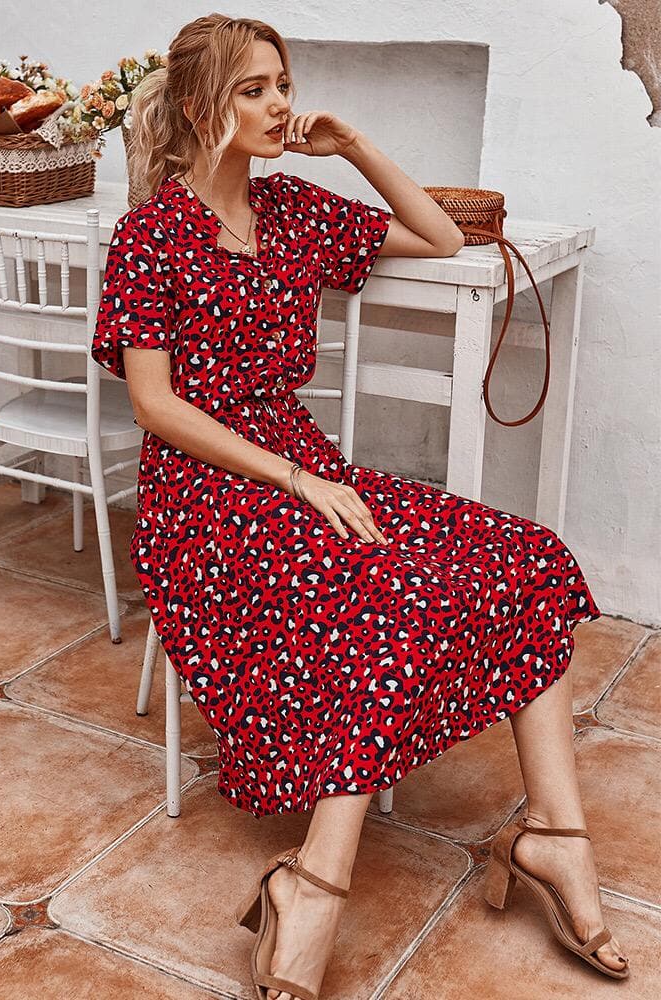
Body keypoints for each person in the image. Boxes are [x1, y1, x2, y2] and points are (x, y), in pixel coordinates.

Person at [90, 13, 629, 999]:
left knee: (525, 555)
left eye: (283, 85)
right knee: (388, 600)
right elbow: (154, 406)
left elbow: (439, 234)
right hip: (203, 496)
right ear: (202, 107)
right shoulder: (150, 235)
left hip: (307, 468)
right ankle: (311, 884)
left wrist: (354, 147)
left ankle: (554, 835)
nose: (280, 106)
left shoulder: (293, 208)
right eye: (254, 89)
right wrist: (296, 481)